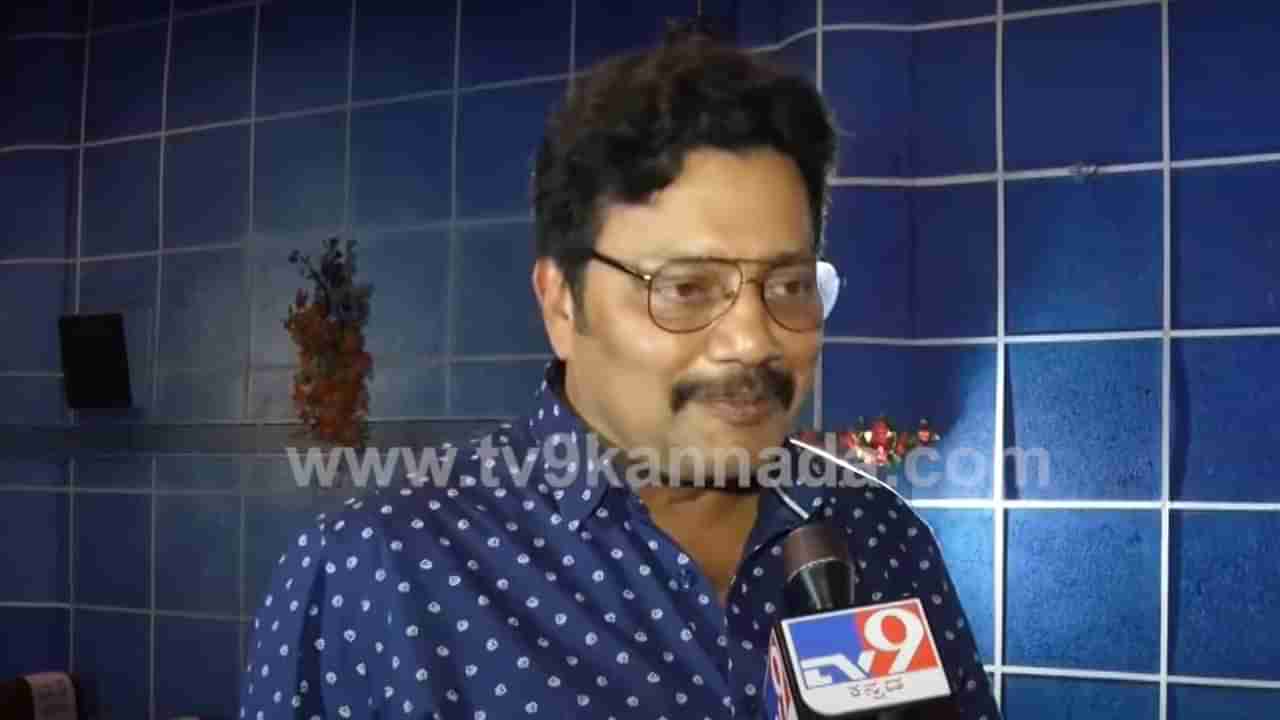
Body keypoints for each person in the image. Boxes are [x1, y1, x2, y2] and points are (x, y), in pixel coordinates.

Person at [239, 27, 1001, 720]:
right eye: (686, 287)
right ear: (562, 304)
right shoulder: (375, 569)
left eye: (790, 284)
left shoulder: (880, 534)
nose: (752, 341)